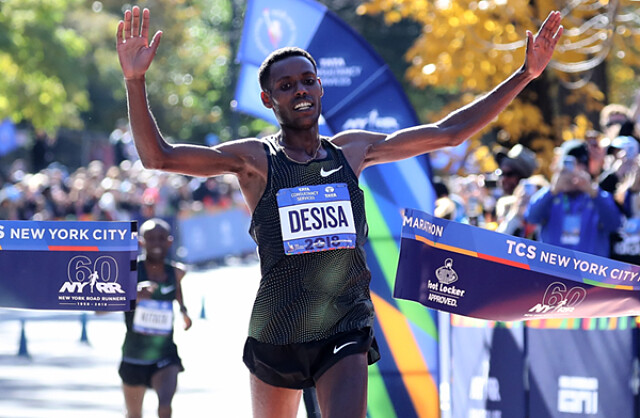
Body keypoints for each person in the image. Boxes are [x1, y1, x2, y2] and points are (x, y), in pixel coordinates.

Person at [116, 6, 562, 417]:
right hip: (278, 326)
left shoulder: (351, 150)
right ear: (268, 100)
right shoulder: (255, 159)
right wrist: (135, 81)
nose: (300, 90)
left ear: (320, 86)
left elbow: (449, 133)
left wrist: (525, 73)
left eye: (307, 80)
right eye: (286, 86)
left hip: (344, 323)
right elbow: (159, 157)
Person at [119, 218, 192, 418]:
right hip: (134, 355)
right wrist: (133, 295)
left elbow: (177, 290)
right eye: (150, 238)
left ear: (169, 241)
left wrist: (184, 310)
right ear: (141, 242)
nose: (156, 243)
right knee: (134, 415)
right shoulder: (129, 272)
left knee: (165, 407)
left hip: (165, 354)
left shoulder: (176, 272)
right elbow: (101, 309)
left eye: (161, 238)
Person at [524, 140, 621, 257]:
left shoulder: (597, 196)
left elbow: (614, 224)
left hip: (588, 266)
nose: (573, 172)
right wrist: (552, 190)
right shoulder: (550, 195)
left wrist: (593, 192)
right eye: (568, 165)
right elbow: (531, 217)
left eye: (579, 164)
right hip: (553, 264)